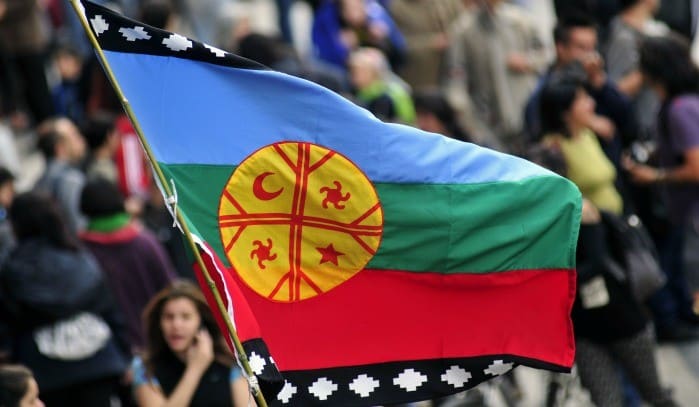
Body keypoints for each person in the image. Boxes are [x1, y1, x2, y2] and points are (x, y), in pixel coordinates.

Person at [0, 192, 128, 406]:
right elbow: (110, 309)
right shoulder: (81, 257)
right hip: (99, 362)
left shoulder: (13, 267)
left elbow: (7, 324)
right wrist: (124, 354)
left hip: (44, 371)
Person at [624, 34, 699, 339]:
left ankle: (678, 320)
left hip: (690, 212)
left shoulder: (680, 109)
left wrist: (653, 176)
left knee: (681, 270)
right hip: (684, 211)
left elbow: (695, 167)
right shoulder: (680, 104)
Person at [80, 178, 176, 354]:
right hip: (156, 341)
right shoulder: (146, 242)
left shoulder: (82, 250)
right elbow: (170, 288)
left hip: (111, 349)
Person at [445, 0, 548, 152]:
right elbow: (455, 81)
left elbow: (545, 54)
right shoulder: (464, 30)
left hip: (523, 111)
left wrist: (528, 61)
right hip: (487, 118)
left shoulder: (520, 21)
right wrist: (467, 120)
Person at [131, 280, 253, 407]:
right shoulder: (145, 367)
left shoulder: (227, 363)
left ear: (201, 321)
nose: (176, 325)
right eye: (169, 317)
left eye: (186, 317)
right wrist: (195, 369)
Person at [539, 74, 624, 215]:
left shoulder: (586, 134)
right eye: (582, 99)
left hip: (617, 216)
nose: (591, 103)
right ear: (564, 112)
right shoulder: (553, 148)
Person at [34, 117, 88, 233]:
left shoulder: (39, 182)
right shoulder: (71, 179)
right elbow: (79, 227)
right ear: (60, 147)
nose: (81, 139)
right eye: (74, 135)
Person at [348, 47, 416, 124]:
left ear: (373, 72)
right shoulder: (360, 92)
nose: (352, 76)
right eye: (352, 71)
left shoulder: (385, 96)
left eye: (357, 72)